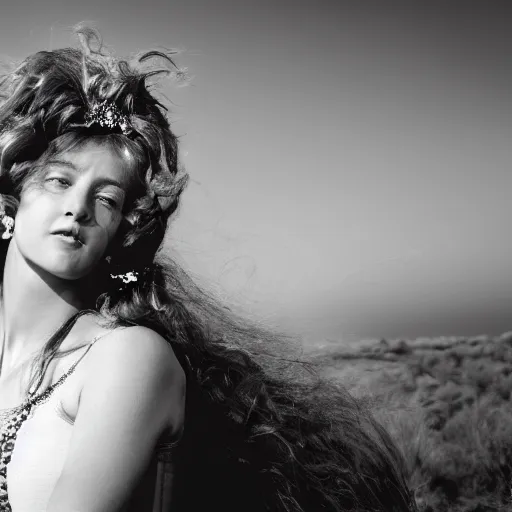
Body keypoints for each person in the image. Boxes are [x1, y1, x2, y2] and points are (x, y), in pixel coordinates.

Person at [0, 27, 417, 512]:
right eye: (58, 180)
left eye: (107, 198)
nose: (79, 208)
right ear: (10, 200)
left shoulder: (125, 360)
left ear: (120, 232)